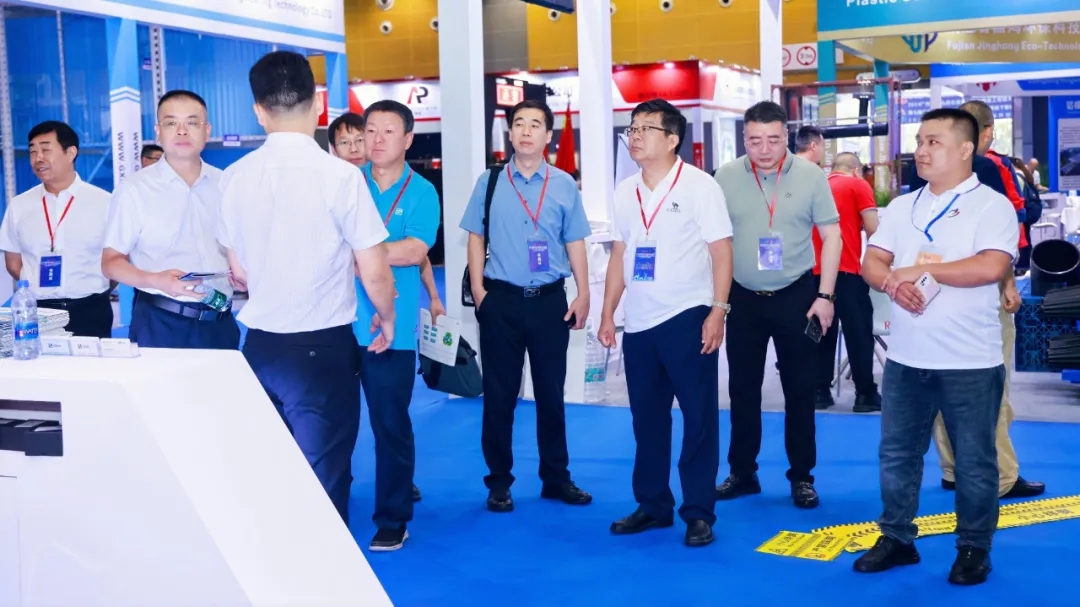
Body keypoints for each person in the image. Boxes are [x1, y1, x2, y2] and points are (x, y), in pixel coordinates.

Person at [217, 50, 396, 522]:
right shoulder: (341, 177)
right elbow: (374, 270)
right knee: (323, 477)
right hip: (321, 349)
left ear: (258, 110)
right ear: (317, 103)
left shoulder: (233, 178)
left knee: (268, 473)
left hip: (259, 348)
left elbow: (238, 270)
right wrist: (386, 315)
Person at [857, 108, 1018, 586]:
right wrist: (892, 282)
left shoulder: (992, 206)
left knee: (974, 461)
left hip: (970, 360)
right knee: (897, 455)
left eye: (933, 142)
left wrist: (919, 271)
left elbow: (990, 267)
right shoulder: (903, 206)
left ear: (965, 149)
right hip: (907, 358)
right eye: (919, 142)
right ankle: (897, 537)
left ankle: (974, 547)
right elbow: (873, 260)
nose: (921, 152)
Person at [598, 99, 733, 547]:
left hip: (687, 315)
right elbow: (620, 254)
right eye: (632, 128)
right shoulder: (625, 191)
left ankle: (698, 512)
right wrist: (608, 312)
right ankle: (653, 504)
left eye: (646, 129)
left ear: (672, 139)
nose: (635, 136)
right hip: (638, 324)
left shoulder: (699, 186)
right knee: (647, 420)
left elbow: (721, 251)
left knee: (698, 418)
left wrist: (718, 310)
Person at [460, 98, 592, 513]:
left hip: (549, 302)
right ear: (511, 132)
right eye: (519, 123)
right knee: (499, 397)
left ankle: (556, 478)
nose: (526, 131)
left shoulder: (565, 184)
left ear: (548, 135)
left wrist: (584, 292)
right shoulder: (490, 181)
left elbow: (575, 241)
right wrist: (479, 291)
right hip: (500, 302)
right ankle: (499, 482)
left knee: (551, 395)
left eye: (535, 124)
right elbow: (476, 237)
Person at [713, 101, 841, 510]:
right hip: (743, 298)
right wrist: (716, 302)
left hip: (796, 297)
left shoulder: (810, 175)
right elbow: (715, 242)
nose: (764, 149)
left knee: (800, 390)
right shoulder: (725, 177)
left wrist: (825, 295)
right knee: (741, 389)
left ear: (786, 136)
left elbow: (832, 237)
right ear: (744, 139)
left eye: (772, 139)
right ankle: (742, 472)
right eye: (755, 141)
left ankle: (802, 476)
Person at [917, 100, 1044, 500]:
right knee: (992, 388)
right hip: (979, 295)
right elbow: (998, 241)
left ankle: (953, 468)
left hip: (936, 291)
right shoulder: (986, 169)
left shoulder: (929, 181)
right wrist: (1007, 284)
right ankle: (1000, 474)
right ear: (985, 133)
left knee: (943, 385)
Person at [352, 100, 440, 551]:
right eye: (371, 130)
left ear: (407, 138)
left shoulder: (422, 191)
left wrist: (357, 251)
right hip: (336, 323)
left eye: (389, 130)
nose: (377, 139)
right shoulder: (347, 183)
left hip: (394, 330)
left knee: (390, 425)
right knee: (332, 425)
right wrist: (382, 251)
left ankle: (392, 517)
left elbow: (415, 250)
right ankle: (327, 502)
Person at [102, 90, 241, 350]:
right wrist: (156, 280)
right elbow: (111, 263)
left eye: (192, 122)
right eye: (171, 123)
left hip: (220, 322)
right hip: (160, 323)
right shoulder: (134, 190)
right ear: (158, 131)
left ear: (207, 130)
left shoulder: (226, 184)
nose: (182, 131)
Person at [0, 121, 113, 338]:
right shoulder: (19, 205)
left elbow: (117, 259)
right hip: (37, 312)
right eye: (33, 151)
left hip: (90, 310)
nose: (38, 158)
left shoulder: (104, 202)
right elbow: (14, 264)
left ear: (70, 153)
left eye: (45, 149)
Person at [811, 152, 881, 412]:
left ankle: (819, 392)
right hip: (846, 270)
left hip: (814, 272)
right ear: (856, 170)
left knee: (821, 333)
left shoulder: (816, 185)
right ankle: (865, 394)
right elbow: (874, 229)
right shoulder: (857, 185)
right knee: (859, 334)